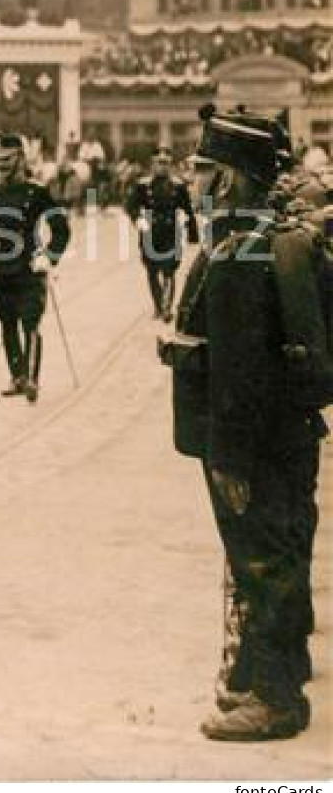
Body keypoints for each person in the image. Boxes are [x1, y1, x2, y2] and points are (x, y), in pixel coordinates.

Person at [163, 105, 321, 742]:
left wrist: (228, 457)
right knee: (276, 552)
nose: (194, 183)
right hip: (287, 435)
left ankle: (273, 699)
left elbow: (239, 377)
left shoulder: (236, 256)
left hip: (250, 444)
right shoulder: (269, 241)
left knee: (259, 560)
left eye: (202, 171)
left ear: (226, 180)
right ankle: (270, 670)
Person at [0, 132, 70, 402]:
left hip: (30, 269)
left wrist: (49, 256)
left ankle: (32, 378)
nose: (1, 166)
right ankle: (17, 376)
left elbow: (61, 229)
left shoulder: (38, 192)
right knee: (7, 323)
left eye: (7, 160)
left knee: (30, 323)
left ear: (20, 159)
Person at [125, 147, 199, 320]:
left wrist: (192, 233)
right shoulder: (143, 185)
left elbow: (187, 209)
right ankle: (158, 305)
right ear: (152, 164)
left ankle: (167, 308)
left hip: (171, 232)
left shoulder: (178, 186)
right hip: (149, 232)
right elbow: (131, 205)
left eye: (166, 163)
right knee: (151, 272)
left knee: (169, 271)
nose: (162, 167)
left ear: (170, 164)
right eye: (159, 162)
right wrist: (137, 219)